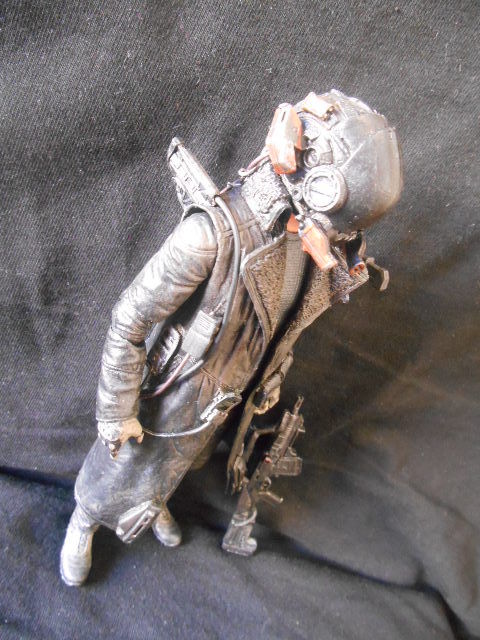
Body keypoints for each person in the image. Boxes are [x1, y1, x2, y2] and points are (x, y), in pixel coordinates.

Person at [60, 90, 402, 586]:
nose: (338, 240)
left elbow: (286, 323)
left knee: (176, 464)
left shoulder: (305, 249)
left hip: (223, 395)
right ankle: (85, 521)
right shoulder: (210, 237)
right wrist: (116, 412)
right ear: (319, 186)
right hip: (173, 387)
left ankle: (153, 504)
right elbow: (128, 320)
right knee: (122, 466)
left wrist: (271, 377)